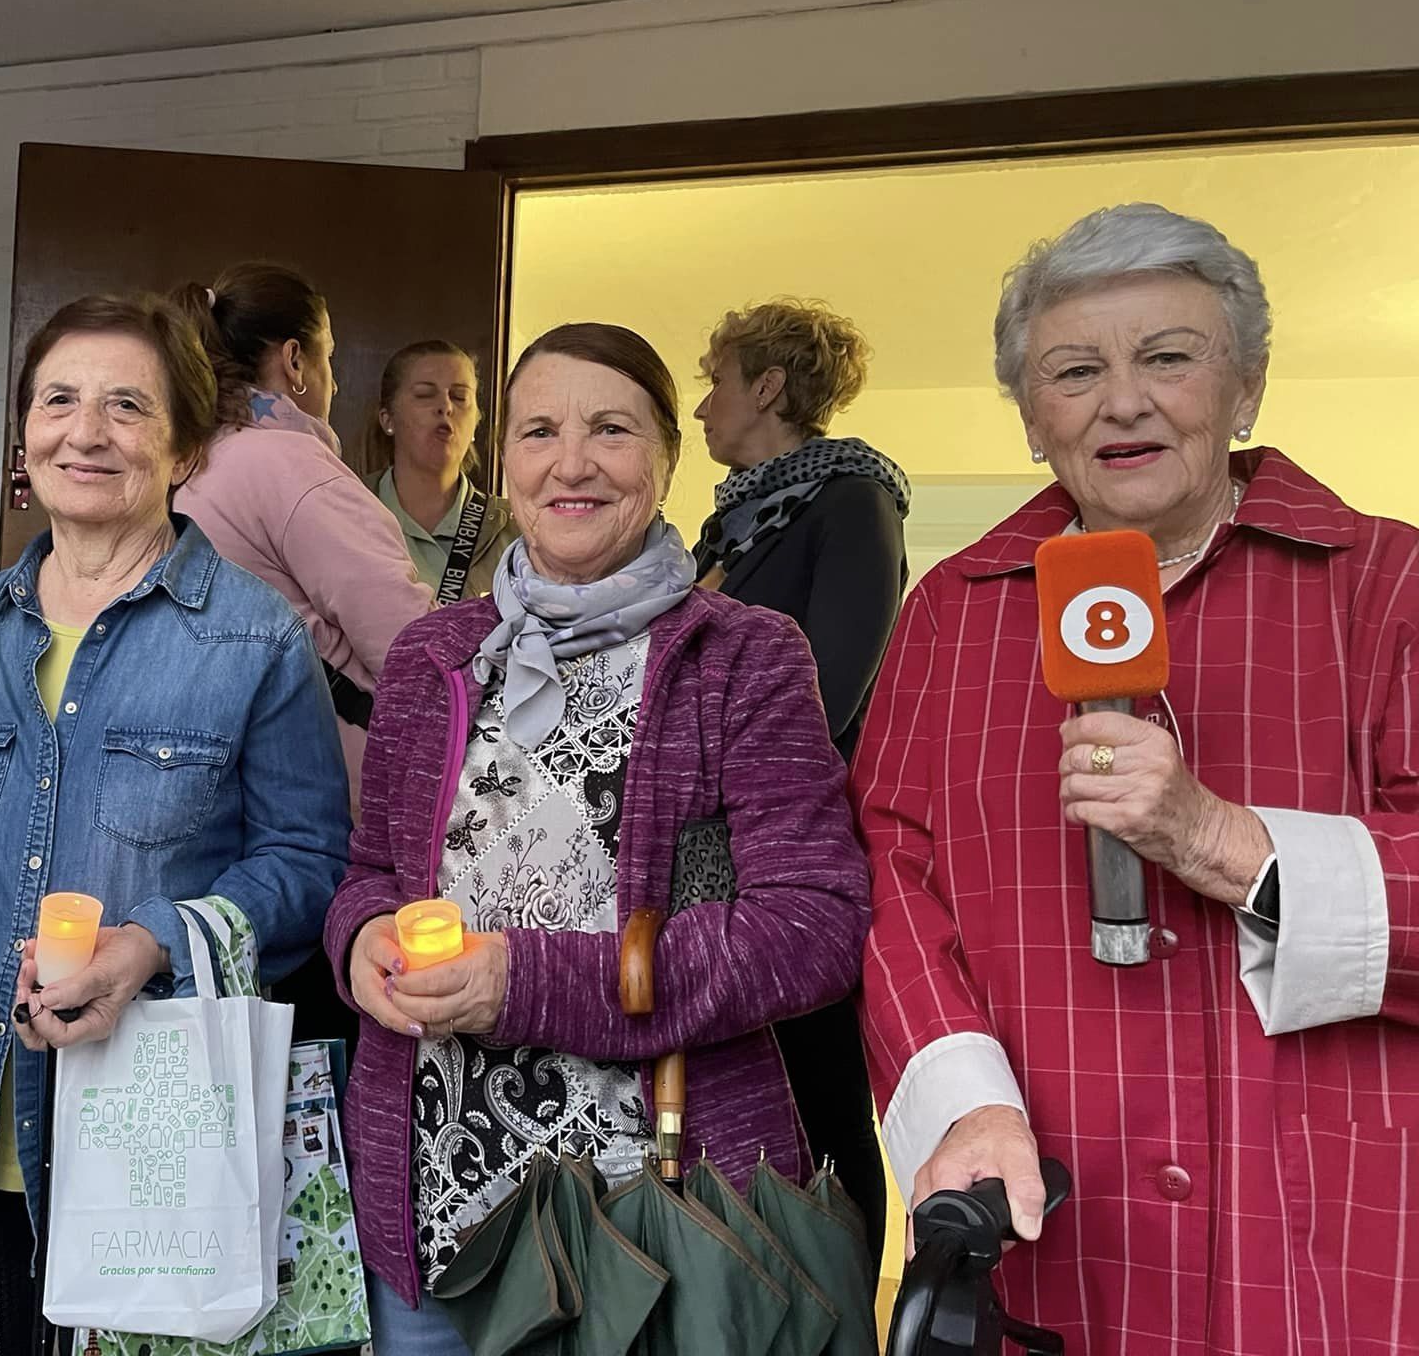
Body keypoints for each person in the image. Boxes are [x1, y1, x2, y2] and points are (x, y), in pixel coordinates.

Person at [856, 203, 1419, 1356]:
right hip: (1051, 1198)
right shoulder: (948, 614)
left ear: (1245, 388)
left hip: (1323, 1211)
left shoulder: (1387, 581)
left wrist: (1219, 839)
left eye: (1167, 357)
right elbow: (884, 876)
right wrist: (962, 1101)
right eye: (1074, 369)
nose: (1122, 400)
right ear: (1029, 416)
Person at [328, 322, 872, 1352]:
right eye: (537, 432)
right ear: (507, 463)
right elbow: (368, 876)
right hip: (432, 1216)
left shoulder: (742, 657)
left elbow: (814, 927)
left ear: (666, 458)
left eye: (610, 430)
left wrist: (526, 982)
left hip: (656, 1220)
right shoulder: (432, 656)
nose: (569, 462)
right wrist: (359, 943)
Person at [0, 292, 351, 1356]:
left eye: (126, 406)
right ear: (25, 435)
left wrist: (155, 943)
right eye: (59, 401)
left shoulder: (253, 638)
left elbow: (313, 863)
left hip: (146, 1157)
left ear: (183, 449)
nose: (85, 432)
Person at [690, 297, 908, 1266]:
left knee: (819, 1107)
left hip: (793, 865)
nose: (701, 410)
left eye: (715, 384)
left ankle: (836, 1316)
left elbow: (823, 696)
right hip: (703, 863)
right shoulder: (721, 533)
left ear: (767, 388)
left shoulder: (849, 505)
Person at [171, 263, 434, 796]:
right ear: (295, 361)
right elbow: (409, 649)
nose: (334, 380)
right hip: (333, 771)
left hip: (233, 761)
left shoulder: (194, 463)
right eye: (329, 357)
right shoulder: (289, 466)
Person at [362, 340, 517, 603]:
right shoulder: (349, 511)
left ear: (476, 422)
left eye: (459, 397)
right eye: (424, 394)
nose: (445, 407)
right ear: (387, 419)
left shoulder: (513, 529)